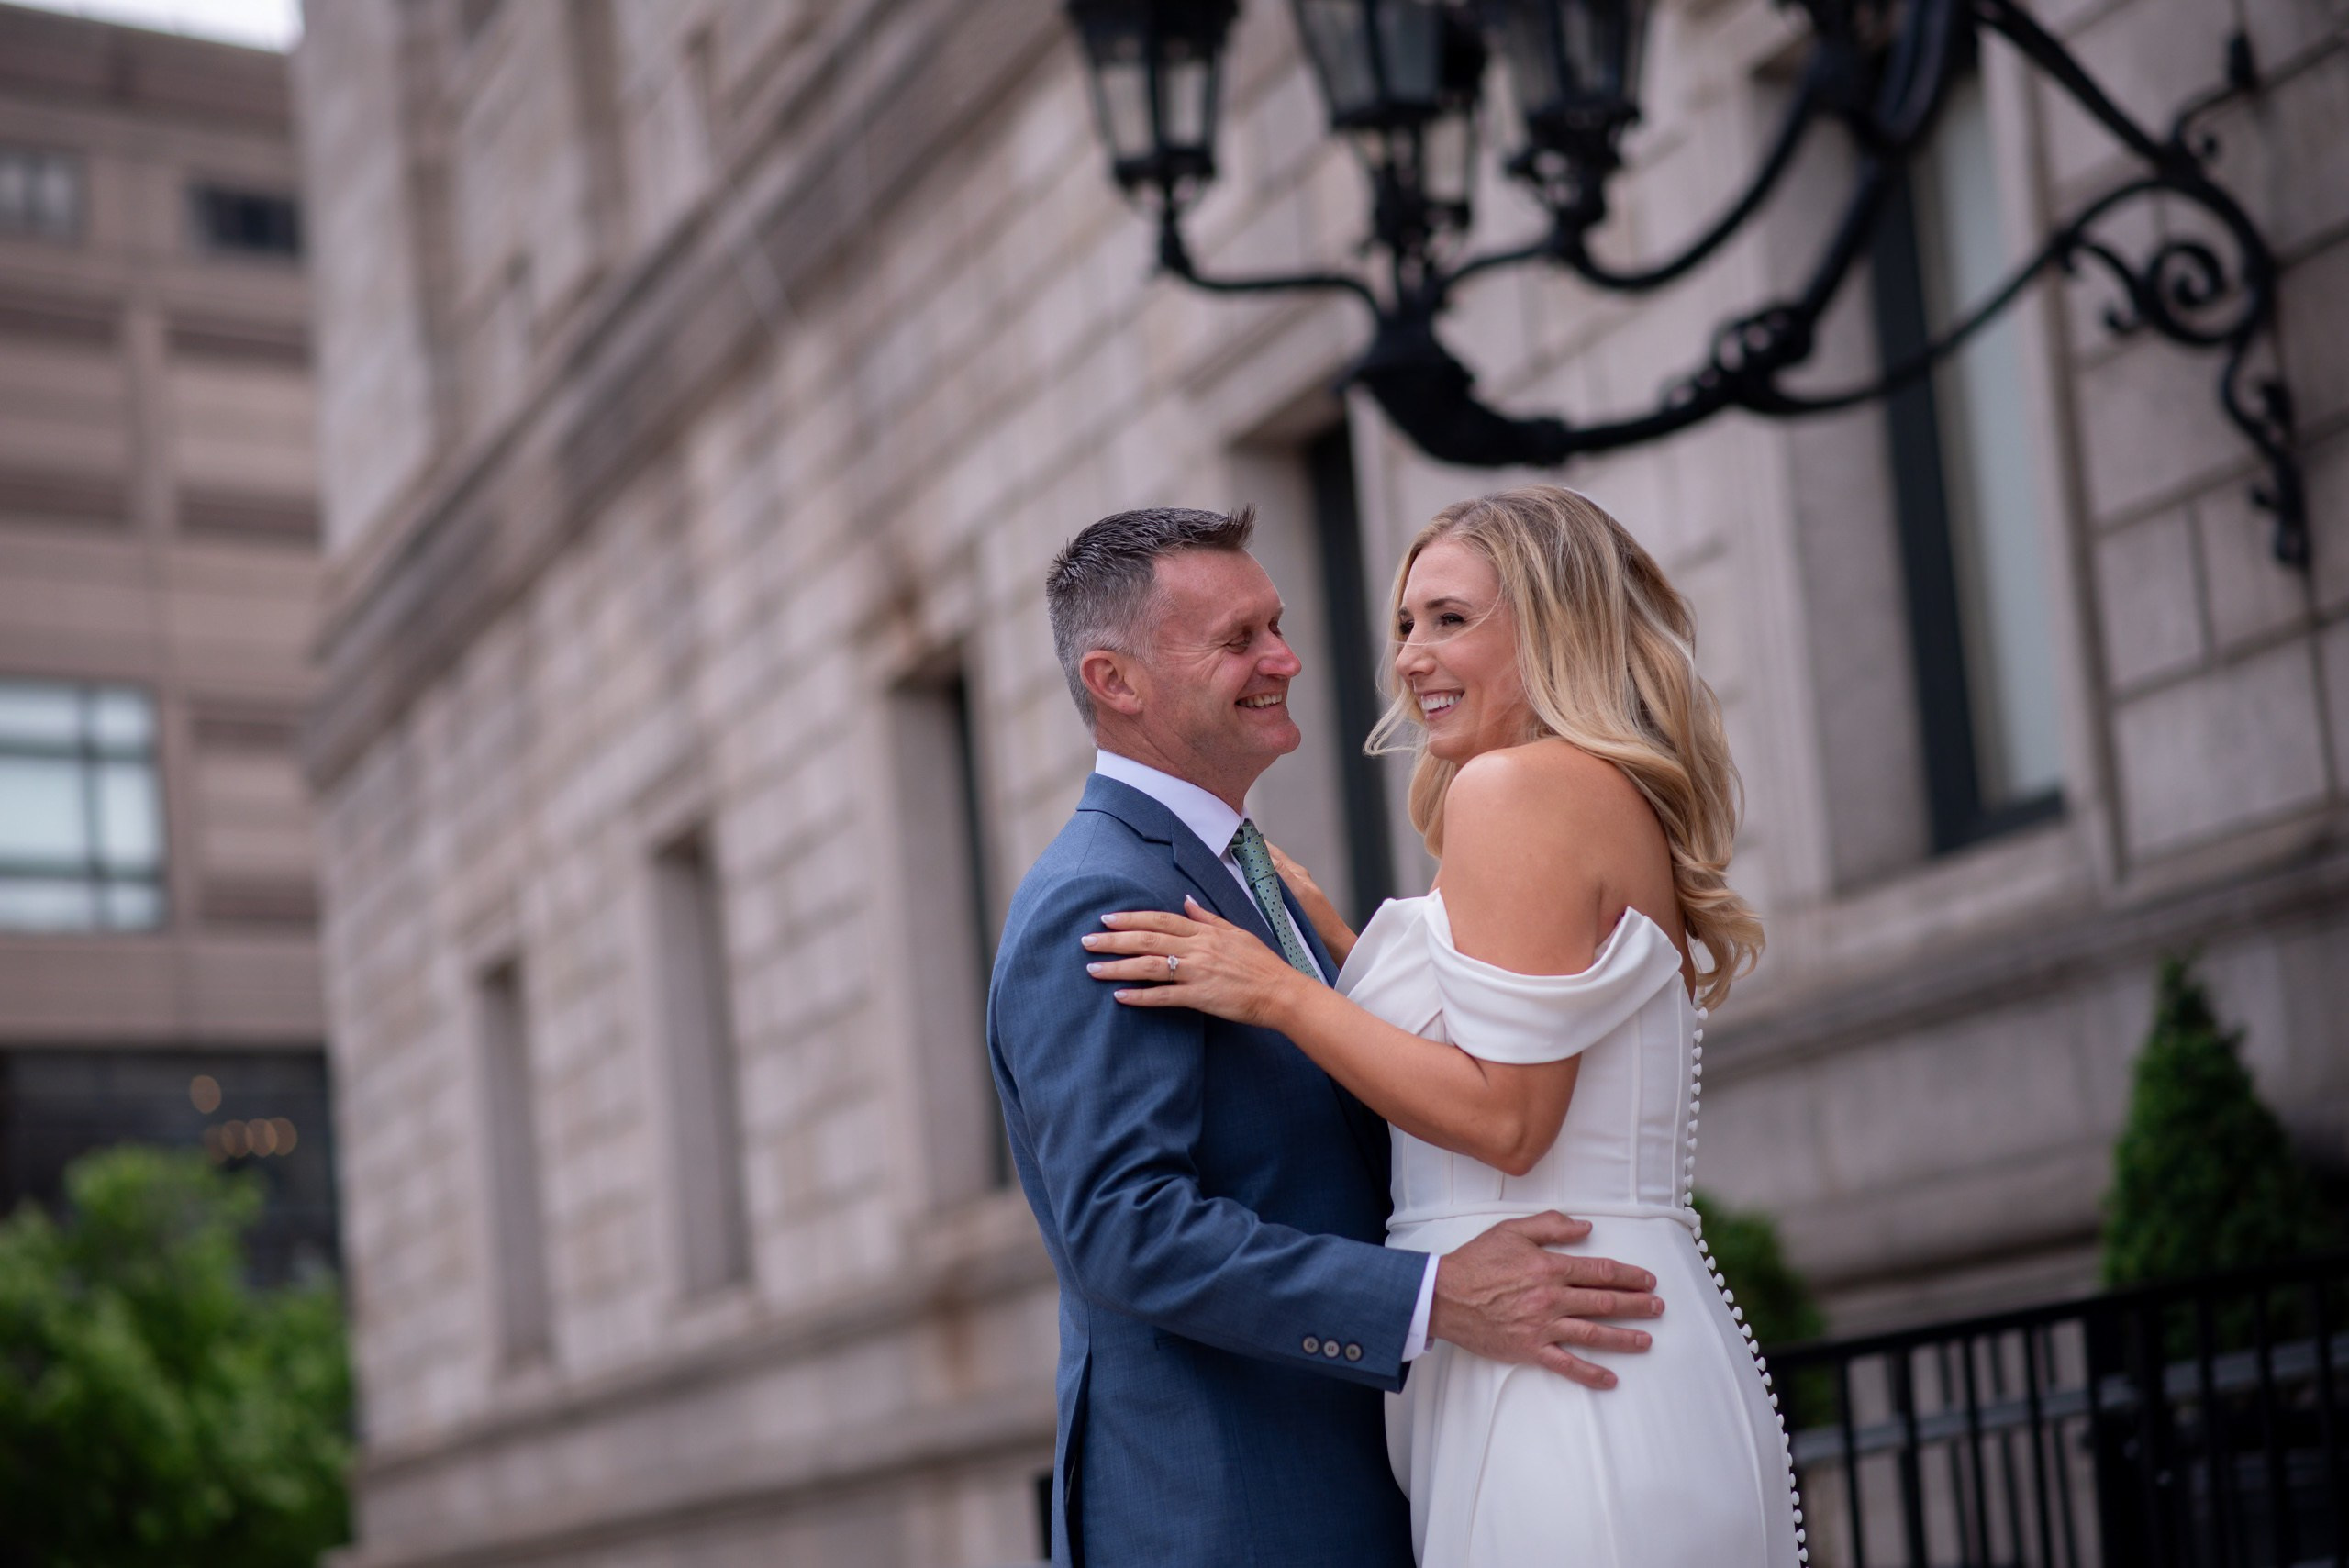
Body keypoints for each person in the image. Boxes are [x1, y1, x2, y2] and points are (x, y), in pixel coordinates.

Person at [1081, 486, 1805, 1566]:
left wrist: (1280, 991)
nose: (1412, 656)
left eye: (1451, 618)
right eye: (1405, 625)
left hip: (1560, 1366)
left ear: (1556, 623)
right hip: (1573, 1350)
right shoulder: (1579, 789)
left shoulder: (1512, 789)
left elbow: (1508, 1117)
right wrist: (1341, 946)